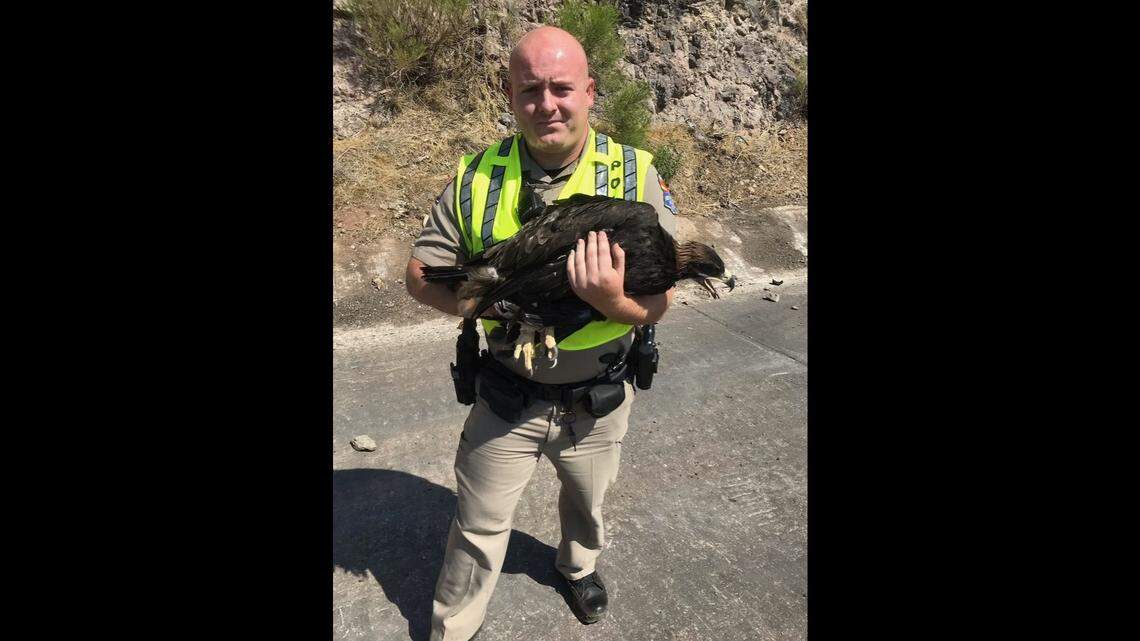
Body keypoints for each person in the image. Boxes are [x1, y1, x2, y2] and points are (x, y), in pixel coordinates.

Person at [405, 25, 679, 641]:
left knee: (588, 506)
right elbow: (422, 278)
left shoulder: (636, 177)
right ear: (509, 95)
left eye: (561, 87)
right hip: (507, 392)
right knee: (476, 525)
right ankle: (455, 628)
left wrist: (613, 302)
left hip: (600, 397)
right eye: (530, 89)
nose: (547, 103)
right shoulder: (477, 177)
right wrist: (504, 307)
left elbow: (659, 303)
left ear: (590, 90)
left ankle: (578, 568)